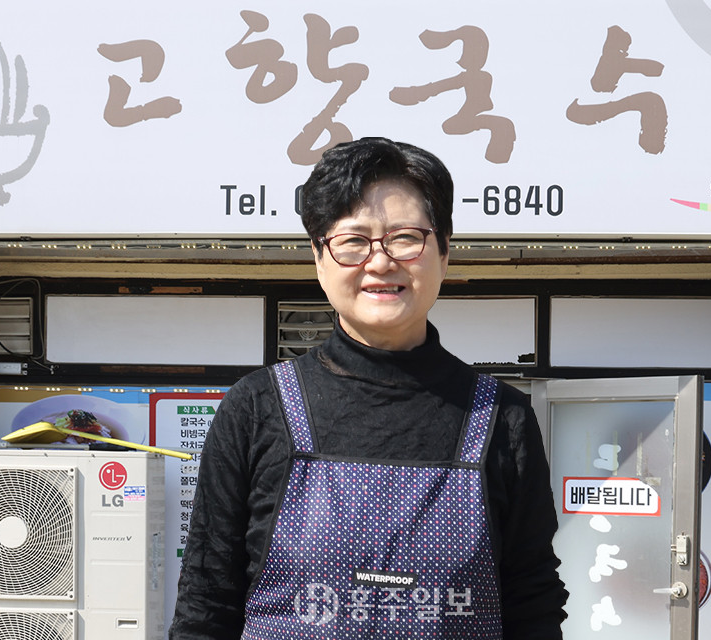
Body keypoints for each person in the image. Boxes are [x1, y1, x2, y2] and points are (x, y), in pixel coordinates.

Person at [169, 137, 567, 639]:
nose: (379, 262)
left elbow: (532, 602)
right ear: (319, 258)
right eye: (353, 240)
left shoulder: (502, 417)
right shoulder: (255, 407)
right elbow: (207, 601)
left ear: (444, 252)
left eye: (405, 238)